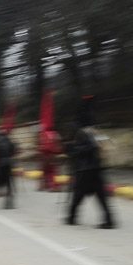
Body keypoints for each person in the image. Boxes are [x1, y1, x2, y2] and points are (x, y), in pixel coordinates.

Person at [65, 97, 117, 228]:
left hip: (85, 170)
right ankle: (109, 220)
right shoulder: (95, 132)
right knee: (101, 196)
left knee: (78, 195)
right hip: (97, 168)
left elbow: (90, 147)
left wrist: (73, 148)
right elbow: (99, 146)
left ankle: (71, 218)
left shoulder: (82, 133)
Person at [37, 90, 63, 192]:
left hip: (46, 155)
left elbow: (45, 112)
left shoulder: (44, 132)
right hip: (51, 154)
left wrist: (40, 149)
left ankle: (47, 185)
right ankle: (51, 185)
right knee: (51, 170)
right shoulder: (54, 133)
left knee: (47, 170)